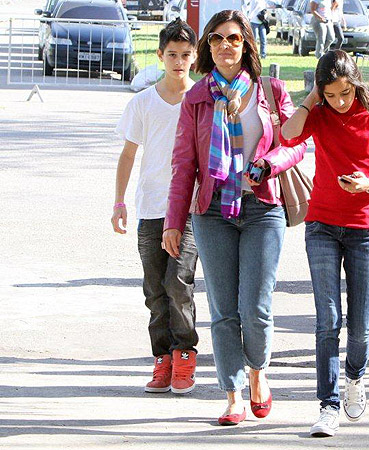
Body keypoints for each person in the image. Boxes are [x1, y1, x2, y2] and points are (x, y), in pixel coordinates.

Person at [163, 10, 306, 425]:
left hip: (263, 208)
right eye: (217, 39)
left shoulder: (271, 89)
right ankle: (233, 392)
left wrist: (270, 163)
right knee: (224, 309)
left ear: (246, 45)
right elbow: (183, 164)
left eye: (234, 39)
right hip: (212, 212)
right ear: (207, 47)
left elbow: (296, 145)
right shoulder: (197, 97)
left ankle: (259, 373)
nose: (226, 45)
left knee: (256, 307)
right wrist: (174, 221)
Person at [280, 50, 369, 437]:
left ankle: (355, 376)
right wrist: (313, 98)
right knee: (327, 319)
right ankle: (328, 404)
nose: (340, 102)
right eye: (331, 95)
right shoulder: (319, 113)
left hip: (364, 227)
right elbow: (288, 133)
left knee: (362, 322)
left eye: (345, 92)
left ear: (356, 83)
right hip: (322, 225)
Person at [111, 19, 199, 395]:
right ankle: (161, 359)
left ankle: (184, 354)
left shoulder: (201, 100)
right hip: (150, 208)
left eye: (185, 55)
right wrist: (119, 201)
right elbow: (128, 154)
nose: (179, 62)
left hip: (191, 210)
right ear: (161, 56)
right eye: (172, 55)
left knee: (178, 281)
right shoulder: (142, 103)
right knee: (154, 289)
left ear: (195, 58)